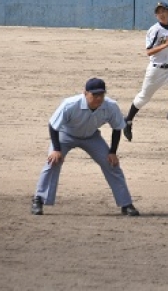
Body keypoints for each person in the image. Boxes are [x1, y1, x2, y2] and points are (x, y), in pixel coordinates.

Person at [31, 78, 140, 216]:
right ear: (85, 93)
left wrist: (112, 152)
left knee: (111, 164)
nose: (98, 98)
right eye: (95, 95)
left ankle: (126, 204)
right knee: (53, 161)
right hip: (65, 135)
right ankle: (38, 199)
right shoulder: (70, 104)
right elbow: (53, 125)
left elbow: (117, 127)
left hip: (91, 137)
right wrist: (56, 150)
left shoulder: (110, 106)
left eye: (101, 94)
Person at [123, 1, 168, 141]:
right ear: (156, 15)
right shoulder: (154, 30)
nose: (161, 14)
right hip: (155, 70)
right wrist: (165, 44)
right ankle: (128, 120)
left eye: (163, 11)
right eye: (158, 12)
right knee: (143, 98)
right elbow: (149, 51)